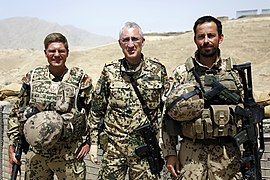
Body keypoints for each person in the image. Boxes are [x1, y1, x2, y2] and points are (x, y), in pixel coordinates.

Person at [162, 15, 243, 179]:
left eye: (211, 35)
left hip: (227, 156)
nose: (206, 40)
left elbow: (247, 111)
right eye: (201, 36)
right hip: (191, 156)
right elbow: (168, 117)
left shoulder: (235, 72)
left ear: (220, 38)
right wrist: (170, 153)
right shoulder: (182, 73)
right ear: (195, 40)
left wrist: (249, 151)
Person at [7, 32, 93, 179]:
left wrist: (89, 142)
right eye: (52, 51)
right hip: (37, 155)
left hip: (69, 155)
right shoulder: (32, 78)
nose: (56, 54)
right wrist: (12, 145)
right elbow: (17, 112)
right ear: (45, 53)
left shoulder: (80, 80)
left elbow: (93, 112)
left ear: (67, 53)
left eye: (61, 51)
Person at [89, 22, 168, 179]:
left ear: (142, 42)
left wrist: (166, 142)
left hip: (145, 149)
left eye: (135, 39)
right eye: (126, 40)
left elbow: (166, 109)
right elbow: (97, 109)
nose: (130, 44)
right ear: (120, 43)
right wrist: (93, 143)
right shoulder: (109, 71)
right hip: (114, 149)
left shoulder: (157, 70)